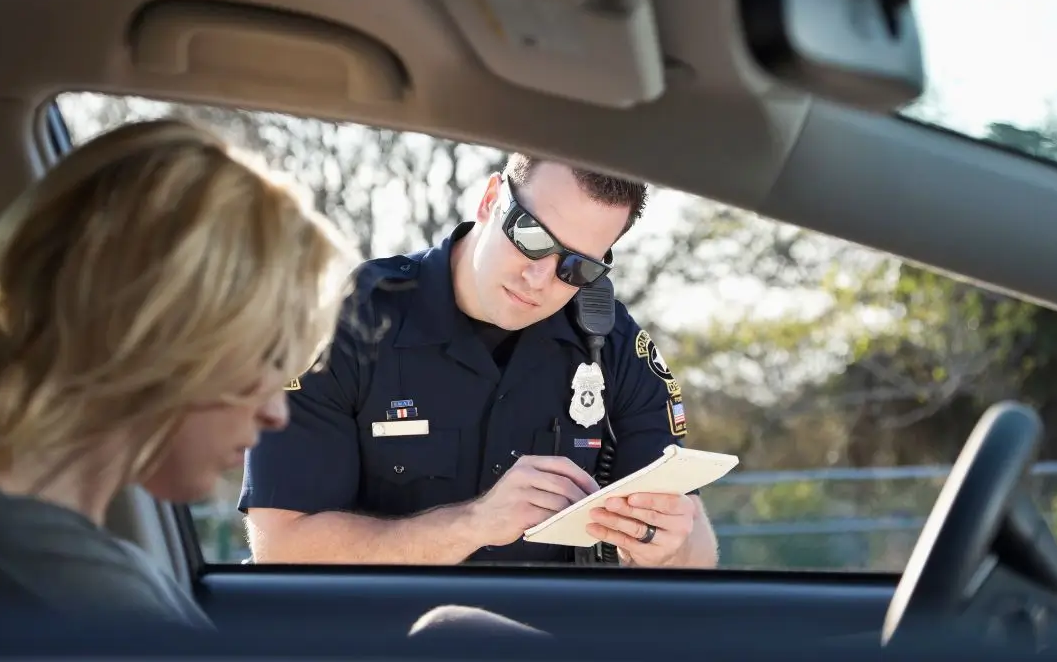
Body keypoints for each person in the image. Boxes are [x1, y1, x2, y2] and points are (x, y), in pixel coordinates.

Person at [0, 118, 354, 625]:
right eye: (269, 355)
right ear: (169, 330)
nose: (277, 412)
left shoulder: (30, 558)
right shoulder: (82, 601)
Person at [240, 154, 720, 567]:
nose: (539, 277)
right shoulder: (338, 324)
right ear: (492, 199)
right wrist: (471, 524)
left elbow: (698, 548)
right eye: (531, 237)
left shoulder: (611, 342)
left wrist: (664, 544)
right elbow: (282, 544)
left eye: (578, 266)